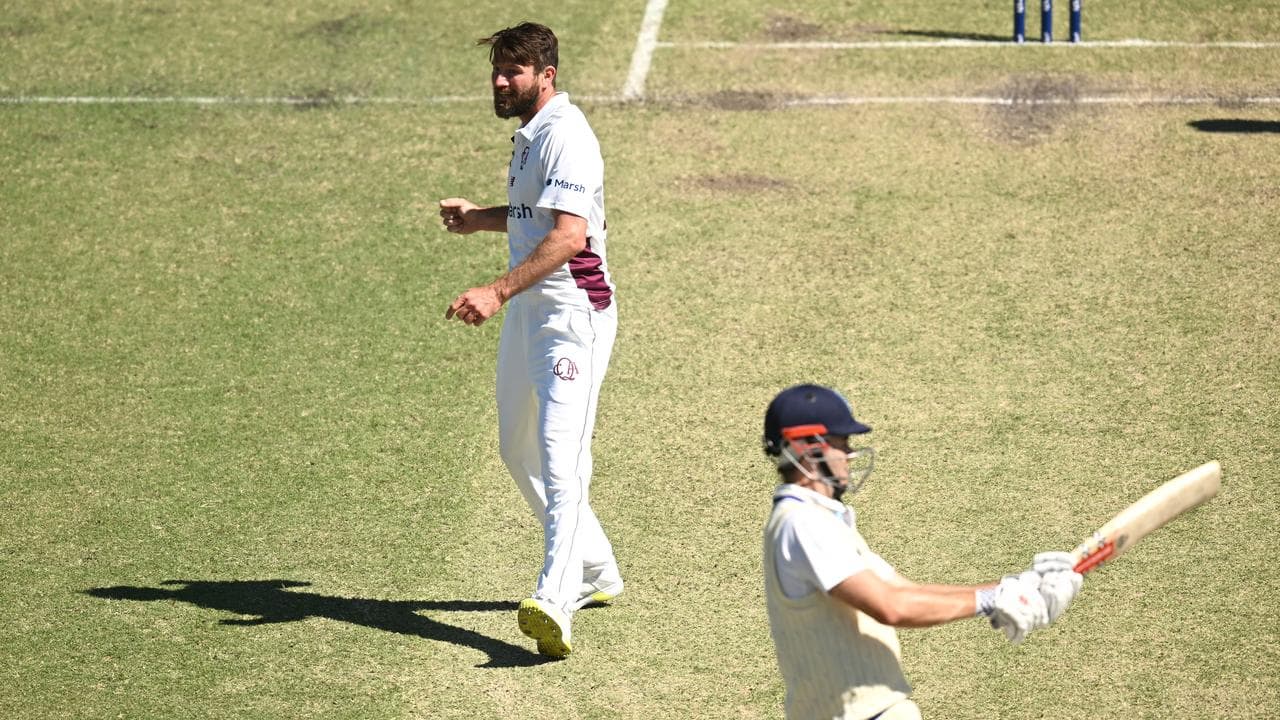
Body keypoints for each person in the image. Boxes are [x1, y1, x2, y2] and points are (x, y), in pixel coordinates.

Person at [438, 22, 621, 659]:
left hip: (572, 318)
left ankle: (555, 596)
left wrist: (496, 291)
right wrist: (479, 220)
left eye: (513, 71)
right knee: (517, 447)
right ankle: (597, 568)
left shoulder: (568, 136)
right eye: (495, 68)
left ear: (546, 75)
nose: (498, 80)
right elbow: (531, 216)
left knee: (561, 454)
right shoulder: (532, 134)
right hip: (529, 314)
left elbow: (569, 236)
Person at [760, 384, 1083, 719]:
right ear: (805, 447)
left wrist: (1013, 587)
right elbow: (891, 607)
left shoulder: (819, 519)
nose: (850, 456)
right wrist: (991, 601)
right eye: (842, 445)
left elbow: (901, 588)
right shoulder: (803, 523)